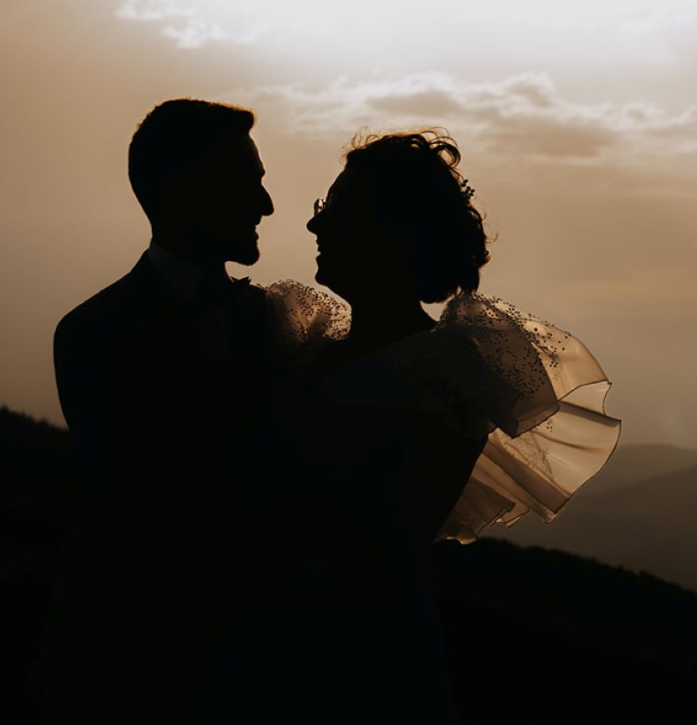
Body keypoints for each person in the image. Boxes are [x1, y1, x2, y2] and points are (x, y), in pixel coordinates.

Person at [258, 129, 622, 722]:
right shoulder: (314, 345)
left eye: (338, 209)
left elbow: (359, 531)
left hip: (358, 658)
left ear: (394, 231)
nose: (314, 224)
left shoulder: (441, 374)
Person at [42, 98, 278, 722]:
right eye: (248, 182)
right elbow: (139, 506)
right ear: (187, 187)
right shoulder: (93, 334)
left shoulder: (276, 323)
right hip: (138, 667)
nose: (266, 205)